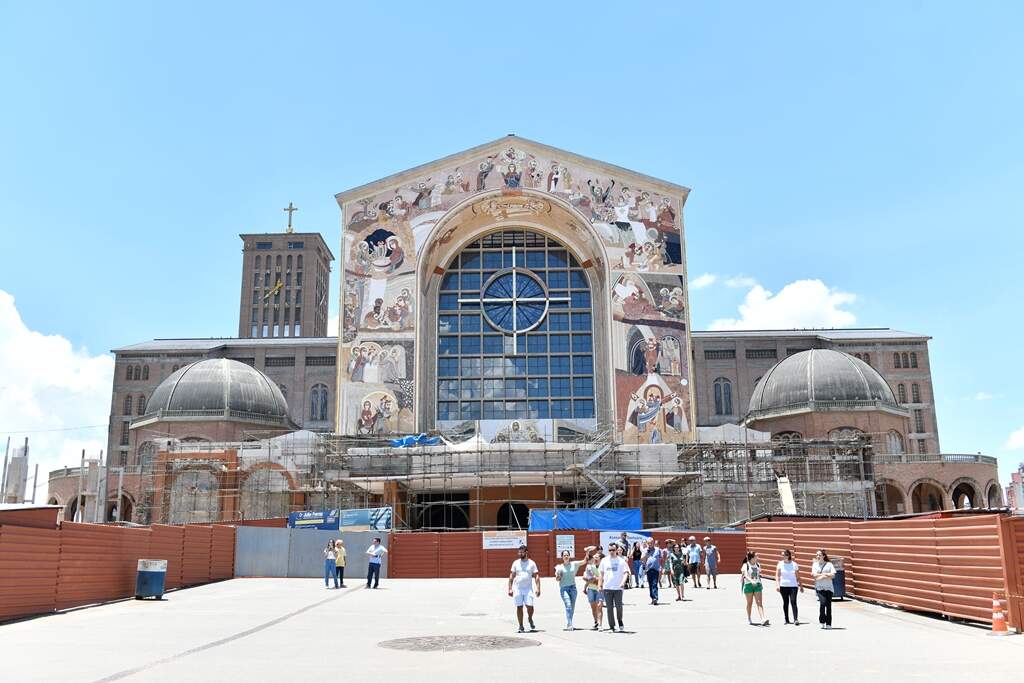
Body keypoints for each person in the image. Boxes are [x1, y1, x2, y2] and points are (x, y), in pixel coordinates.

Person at [508, 545, 541, 633]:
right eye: (519, 552)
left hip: (528, 589)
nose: (520, 554)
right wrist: (510, 588)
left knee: (530, 606)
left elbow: (536, 576)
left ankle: (530, 618)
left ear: (526, 552)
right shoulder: (515, 563)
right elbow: (511, 576)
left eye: (521, 552)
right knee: (519, 607)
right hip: (518, 588)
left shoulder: (532, 563)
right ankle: (521, 625)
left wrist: (538, 588)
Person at [598, 542, 629, 632]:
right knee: (609, 608)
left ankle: (620, 620)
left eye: (613, 550)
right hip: (607, 587)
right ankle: (612, 626)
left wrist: (623, 582)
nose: (611, 552)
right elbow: (601, 574)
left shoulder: (621, 561)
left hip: (618, 588)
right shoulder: (604, 560)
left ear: (616, 550)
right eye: (610, 550)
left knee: (619, 606)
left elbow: (626, 573)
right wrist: (599, 585)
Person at [554, 549, 586, 631]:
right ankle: (570, 624)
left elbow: (584, 561)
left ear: (569, 556)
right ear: (562, 557)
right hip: (564, 588)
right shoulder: (559, 567)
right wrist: (558, 576)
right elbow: (557, 579)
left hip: (573, 588)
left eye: (567, 555)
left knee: (572, 607)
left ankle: (569, 622)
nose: (566, 556)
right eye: (564, 555)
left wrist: (587, 552)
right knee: (568, 605)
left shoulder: (574, 564)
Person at [741, 550, 769, 626]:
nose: (757, 557)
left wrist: (758, 580)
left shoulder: (758, 564)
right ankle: (749, 618)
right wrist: (751, 580)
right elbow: (745, 575)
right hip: (748, 585)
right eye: (756, 556)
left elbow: (758, 574)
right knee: (749, 603)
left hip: (757, 585)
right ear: (752, 558)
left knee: (759, 602)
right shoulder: (745, 565)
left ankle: (763, 619)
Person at [775, 549, 803, 625]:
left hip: (793, 586)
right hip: (783, 586)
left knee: (793, 601)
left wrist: (801, 586)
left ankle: (795, 619)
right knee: (785, 602)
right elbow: (777, 576)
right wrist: (777, 585)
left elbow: (798, 576)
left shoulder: (794, 564)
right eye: (782, 555)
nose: (783, 556)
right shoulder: (780, 564)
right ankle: (786, 619)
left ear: (788, 556)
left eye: (784, 555)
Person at [812, 549, 836, 630]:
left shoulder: (829, 564)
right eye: (817, 555)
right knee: (822, 603)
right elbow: (814, 576)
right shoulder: (815, 565)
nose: (818, 556)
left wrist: (823, 575)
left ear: (824, 556)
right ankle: (822, 621)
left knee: (828, 606)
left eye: (820, 555)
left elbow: (833, 575)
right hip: (820, 588)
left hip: (829, 588)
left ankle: (828, 624)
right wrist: (825, 575)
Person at [582, 548, 604, 630]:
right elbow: (584, 577)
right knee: (593, 607)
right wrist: (592, 580)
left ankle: (600, 624)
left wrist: (595, 579)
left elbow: (604, 578)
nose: (595, 558)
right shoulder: (590, 566)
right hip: (591, 588)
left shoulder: (603, 567)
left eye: (597, 557)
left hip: (600, 589)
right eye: (594, 557)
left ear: (600, 559)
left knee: (599, 606)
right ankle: (596, 622)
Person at [642, 538, 662, 605]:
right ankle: (652, 598)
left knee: (654, 583)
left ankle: (655, 598)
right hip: (648, 569)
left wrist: (661, 567)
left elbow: (661, 558)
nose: (650, 544)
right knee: (650, 584)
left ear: (653, 543)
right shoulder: (645, 550)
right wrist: (646, 554)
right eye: (648, 543)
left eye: (651, 543)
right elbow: (642, 559)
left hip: (656, 569)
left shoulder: (658, 550)